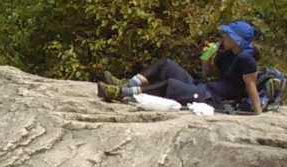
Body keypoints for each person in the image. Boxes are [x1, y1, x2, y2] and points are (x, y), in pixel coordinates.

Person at [102, 20, 264, 114]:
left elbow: (251, 85)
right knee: (166, 64)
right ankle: (128, 83)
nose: (224, 37)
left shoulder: (246, 59)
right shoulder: (226, 52)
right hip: (204, 87)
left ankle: (121, 93)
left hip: (210, 97)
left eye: (227, 35)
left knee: (171, 85)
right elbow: (208, 75)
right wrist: (206, 60)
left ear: (236, 40)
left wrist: (258, 113)